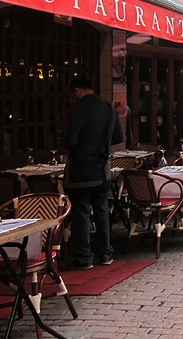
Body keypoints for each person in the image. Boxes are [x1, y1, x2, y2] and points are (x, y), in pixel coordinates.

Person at [64, 77, 124, 269]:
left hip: (81, 169)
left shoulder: (78, 111)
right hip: (102, 168)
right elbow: (119, 137)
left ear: (76, 92)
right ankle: (105, 253)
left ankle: (84, 257)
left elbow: (70, 141)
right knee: (101, 209)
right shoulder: (108, 108)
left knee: (81, 211)